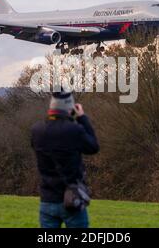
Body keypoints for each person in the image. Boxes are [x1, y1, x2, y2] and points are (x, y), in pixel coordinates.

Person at [31, 91, 99, 228]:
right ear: (70, 108)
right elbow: (93, 147)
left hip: (47, 198)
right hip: (71, 197)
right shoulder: (74, 131)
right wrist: (82, 118)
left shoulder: (36, 130)